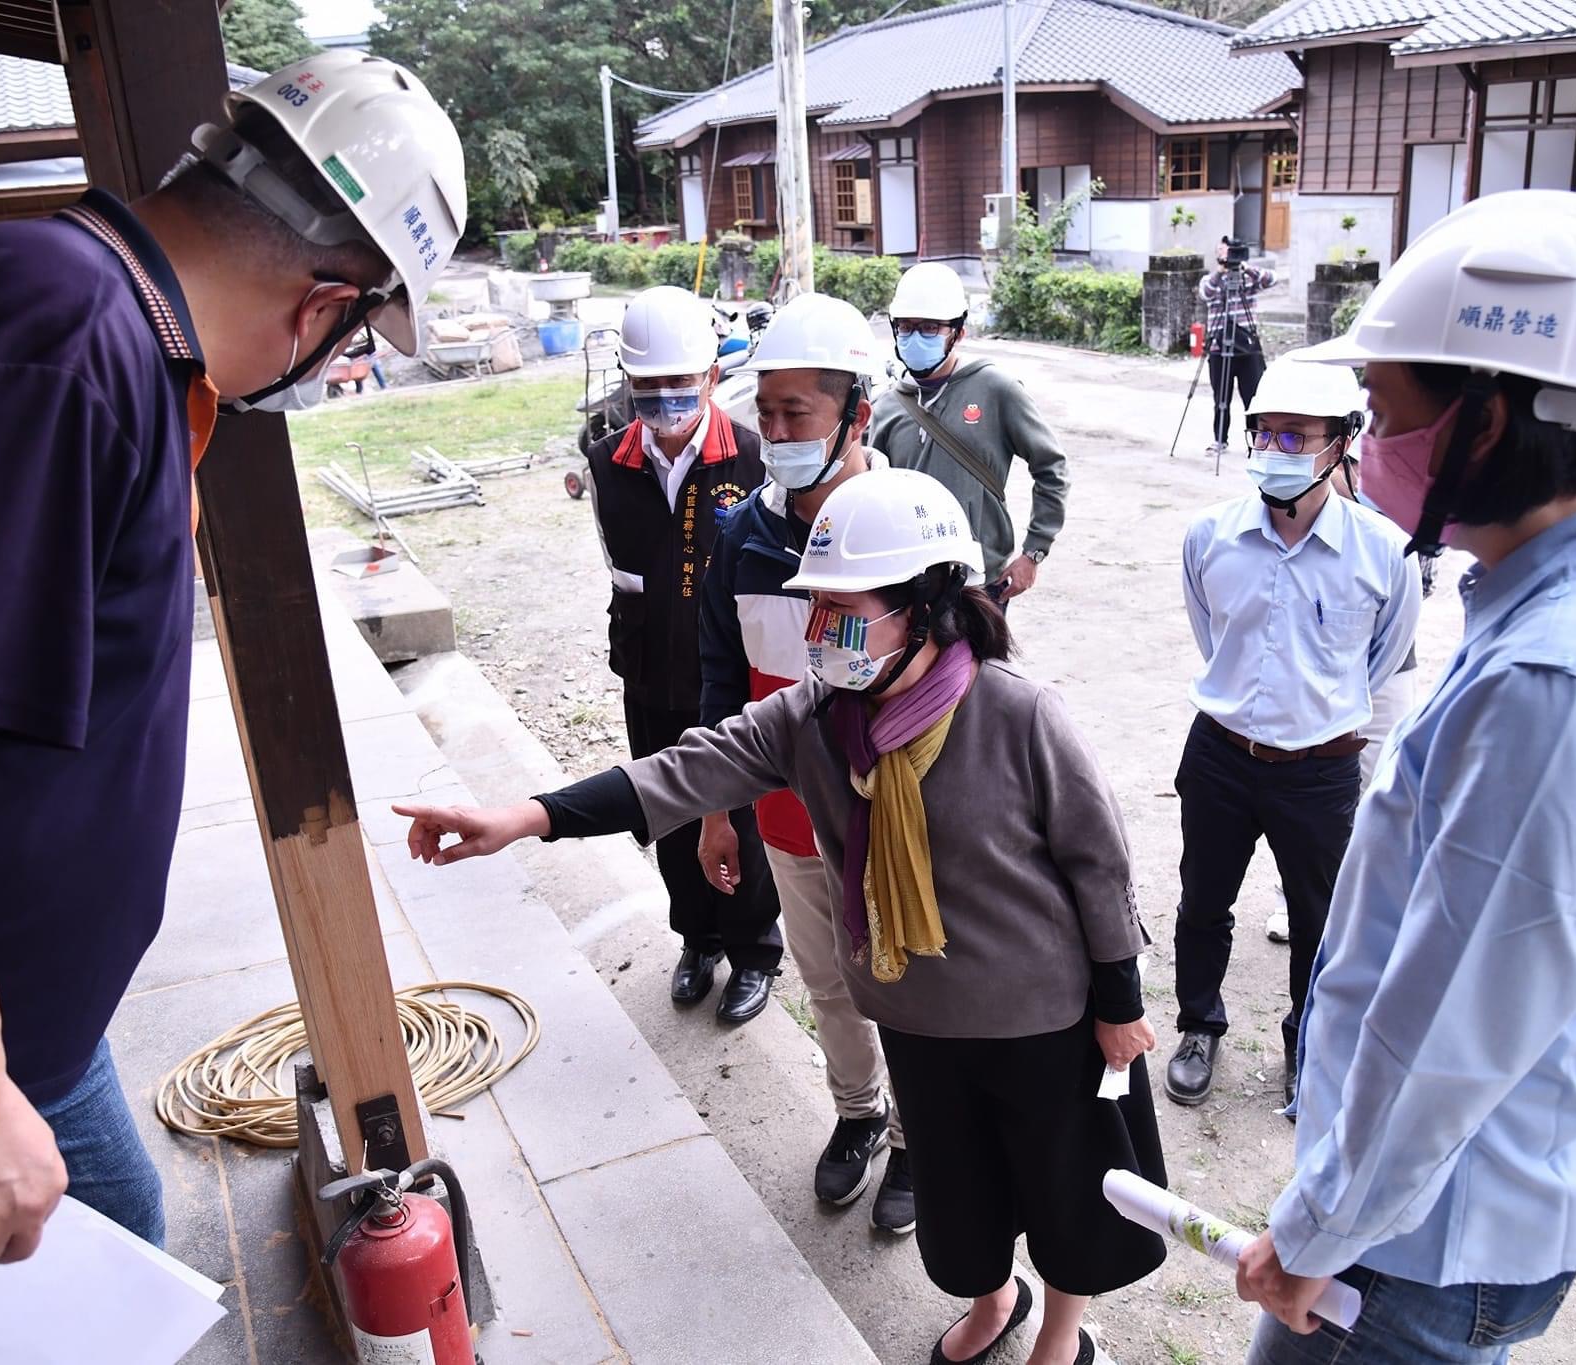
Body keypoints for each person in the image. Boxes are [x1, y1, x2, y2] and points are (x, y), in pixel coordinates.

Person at [0, 50, 465, 1350]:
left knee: (120, 1250)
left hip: (14, 1026)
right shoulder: (47, 341)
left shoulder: (111, 339)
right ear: (326, 304)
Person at [398, 469, 1168, 1365]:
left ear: (923, 605)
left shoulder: (1020, 714)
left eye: (842, 612)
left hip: (1043, 1019)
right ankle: (995, 1298)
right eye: (815, 609)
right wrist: (524, 816)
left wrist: (1118, 1001)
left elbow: (1098, 861)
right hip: (915, 1015)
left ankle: (1060, 1336)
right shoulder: (813, 719)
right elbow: (684, 769)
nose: (818, 635)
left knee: (1066, 1193)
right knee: (961, 1203)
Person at [1233, 190, 1576, 1362]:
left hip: (1421, 1237)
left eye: (1385, 413)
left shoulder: (1554, 678)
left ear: (1484, 426)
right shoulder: (1572, 602)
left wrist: (1315, 1229)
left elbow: (1454, 1016)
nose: (1365, 443)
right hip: (1440, 1201)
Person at [695, 293, 917, 1231]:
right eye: (766, 412)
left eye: (798, 413)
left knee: (908, 989)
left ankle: (917, 1136)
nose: (775, 432)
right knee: (828, 983)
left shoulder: (910, 525)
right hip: (789, 825)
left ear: (855, 415)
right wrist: (716, 808)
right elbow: (722, 679)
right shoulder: (744, 535)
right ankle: (859, 1115)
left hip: (892, 828)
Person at [1166, 355, 1420, 1112]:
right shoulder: (1209, 536)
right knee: (1203, 901)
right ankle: (1198, 1025)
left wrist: (1310, 714)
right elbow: (1213, 638)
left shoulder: (1384, 552)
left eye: (1296, 436)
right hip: (1220, 754)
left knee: (1319, 919)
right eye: (1265, 434)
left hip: (1321, 771)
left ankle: (1306, 1043)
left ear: (1342, 442)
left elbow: (1382, 662)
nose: (1276, 451)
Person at [584, 284, 782, 1024]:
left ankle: (754, 949)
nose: (665, 399)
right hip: (651, 672)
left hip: (728, 677)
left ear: (709, 376)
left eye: (680, 383)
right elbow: (622, 570)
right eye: (648, 385)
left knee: (739, 815)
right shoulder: (609, 462)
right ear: (627, 381)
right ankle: (696, 938)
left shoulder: (752, 457)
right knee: (665, 812)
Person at [1264, 429, 1425, 947]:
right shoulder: (1316, 458)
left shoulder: (1421, 480)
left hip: (1387, 663)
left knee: (1371, 786)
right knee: (1311, 788)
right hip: (1315, 658)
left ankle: (1357, 906)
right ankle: (1297, 900)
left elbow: (1414, 587)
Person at [868, 261, 1070, 606]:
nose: (915, 337)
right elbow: (870, 494)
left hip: (979, 582)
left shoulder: (996, 389)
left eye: (930, 327)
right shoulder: (887, 406)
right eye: (905, 327)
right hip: (905, 581)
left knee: (981, 663)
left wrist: (1034, 552)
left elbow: (1052, 469)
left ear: (958, 333)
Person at [1198, 236, 1279, 459]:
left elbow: (1271, 279)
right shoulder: (1211, 280)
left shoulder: (1248, 278)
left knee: (1253, 399)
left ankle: (1257, 442)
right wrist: (1221, 271)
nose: (1228, 256)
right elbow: (1205, 293)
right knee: (1221, 399)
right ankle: (1219, 440)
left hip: (1247, 348)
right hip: (1219, 348)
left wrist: (1245, 268)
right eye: (1224, 252)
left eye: (1232, 252)